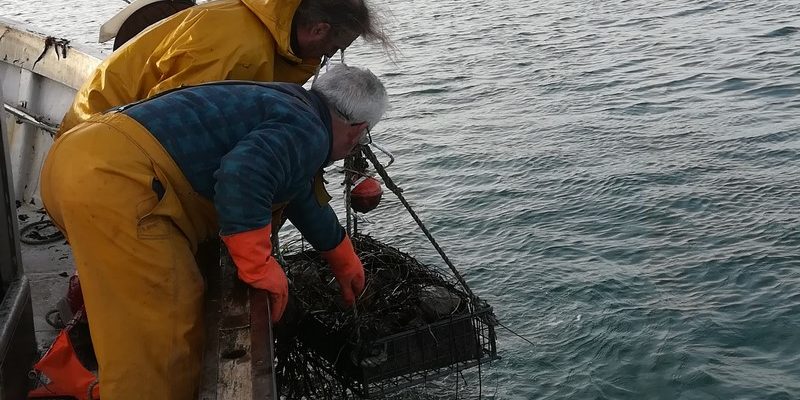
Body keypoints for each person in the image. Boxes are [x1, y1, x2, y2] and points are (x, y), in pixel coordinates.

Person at [40, 64, 388, 399]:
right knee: (165, 339)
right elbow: (243, 175)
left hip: (74, 158)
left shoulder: (290, 101)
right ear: (357, 130)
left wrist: (339, 253)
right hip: (113, 181)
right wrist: (257, 265)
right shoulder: (310, 132)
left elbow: (293, 186)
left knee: (141, 319)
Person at [56, 0, 389, 136]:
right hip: (97, 141)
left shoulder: (281, 46)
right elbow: (164, 129)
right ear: (319, 30)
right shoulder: (235, 45)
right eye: (335, 47)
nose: (331, 57)